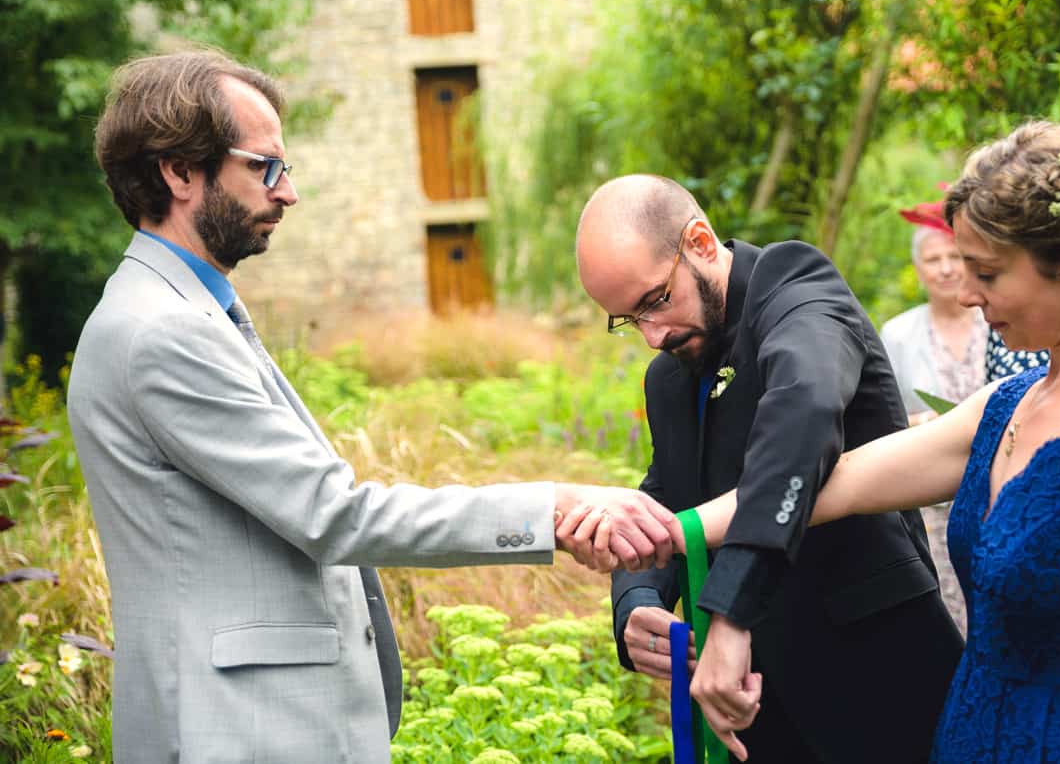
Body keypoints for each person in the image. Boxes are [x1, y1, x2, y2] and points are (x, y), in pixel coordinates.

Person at [66, 50, 681, 763]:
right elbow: (334, 514)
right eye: (264, 166)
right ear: (178, 171)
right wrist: (550, 509)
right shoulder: (162, 332)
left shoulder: (179, 310)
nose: (288, 191)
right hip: (239, 732)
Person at [687, 120, 1060, 762]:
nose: (968, 295)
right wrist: (667, 528)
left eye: (989, 274)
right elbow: (835, 484)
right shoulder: (1005, 406)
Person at [566, 174, 964, 762]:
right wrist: (639, 600)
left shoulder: (800, 292)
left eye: (654, 301)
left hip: (880, 685)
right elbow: (668, 494)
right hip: (755, 719)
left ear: (700, 242)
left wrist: (730, 607)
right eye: (627, 319)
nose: (652, 336)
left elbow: (802, 418)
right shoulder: (669, 376)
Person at [880, 195, 988, 636]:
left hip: (995, 493)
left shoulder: (999, 322)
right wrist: (915, 424)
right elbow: (881, 420)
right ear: (919, 268)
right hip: (932, 505)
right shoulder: (899, 334)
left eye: (953, 257)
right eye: (932, 259)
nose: (945, 268)